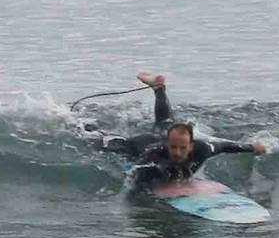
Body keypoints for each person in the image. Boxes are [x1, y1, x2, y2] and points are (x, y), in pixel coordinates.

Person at [93, 72, 269, 189]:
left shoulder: (203, 149)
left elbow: (224, 147)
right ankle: (86, 127)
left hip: (165, 137)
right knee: (105, 143)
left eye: (182, 148)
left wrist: (252, 148)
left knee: (166, 123)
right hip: (139, 144)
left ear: (191, 146)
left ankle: (158, 87)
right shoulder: (154, 155)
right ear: (168, 145)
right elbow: (134, 178)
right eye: (174, 147)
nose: (177, 152)